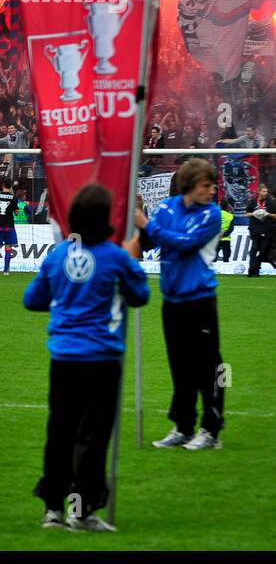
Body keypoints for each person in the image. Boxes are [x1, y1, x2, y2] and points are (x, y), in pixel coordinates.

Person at [24, 183, 150, 532]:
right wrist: (131, 260)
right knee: (92, 438)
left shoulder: (59, 254)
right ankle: (82, 510)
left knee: (60, 432)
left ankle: (53, 510)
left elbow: (32, 300)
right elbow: (140, 297)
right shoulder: (115, 257)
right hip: (102, 359)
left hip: (64, 357)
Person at [132, 159, 226, 451]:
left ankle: (211, 430)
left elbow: (184, 244)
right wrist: (134, 219)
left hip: (199, 301)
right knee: (180, 366)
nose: (211, 191)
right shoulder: (166, 207)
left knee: (208, 367)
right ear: (189, 185)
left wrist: (148, 225)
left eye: (213, 186)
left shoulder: (211, 215)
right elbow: (150, 242)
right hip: (171, 301)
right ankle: (183, 427)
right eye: (206, 185)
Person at [244, 184, 273, 277]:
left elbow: (275, 215)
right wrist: (254, 213)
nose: (265, 193)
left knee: (263, 251)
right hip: (255, 229)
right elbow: (246, 214)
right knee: (254, 248)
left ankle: (256, 268)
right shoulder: (252, 202)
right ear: (259, 192)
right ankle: (251, 268)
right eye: (264, 191)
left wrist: (267, 214)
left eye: (266, 191)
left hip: (267, 229)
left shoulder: (271, 202)